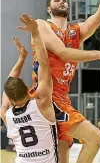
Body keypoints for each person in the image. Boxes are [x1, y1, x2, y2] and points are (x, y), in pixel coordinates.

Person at [29, 0, 100, 163]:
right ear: (49, 9)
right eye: (57, 0)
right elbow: (64, 53)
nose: (62, 1)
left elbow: (98, 17)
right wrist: (99, 53)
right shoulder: (42, 25)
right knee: (95, 136)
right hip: (46, 97)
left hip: (62, 99)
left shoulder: (75, 32)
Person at [1, 15, 59, 163]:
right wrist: (35, 32)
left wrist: (21, 58)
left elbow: (9, 85)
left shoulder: (6, 114)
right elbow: (44, 64)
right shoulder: (42, 103)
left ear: (11, 99)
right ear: (28, 89)